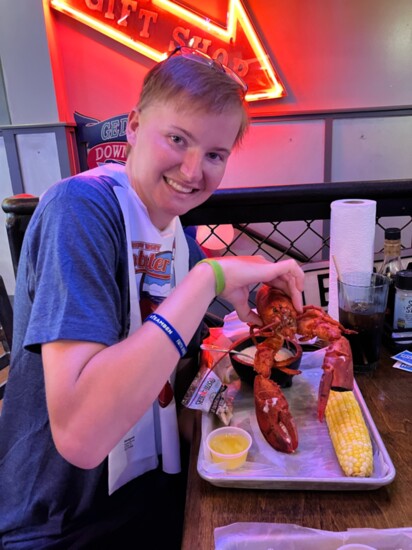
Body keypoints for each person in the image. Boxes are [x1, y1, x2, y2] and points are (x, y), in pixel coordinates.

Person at [0, 47, 304, 549]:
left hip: (155, 502)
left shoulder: (177, 237)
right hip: (59, 524)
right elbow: (82, 437)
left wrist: (244, 364)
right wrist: (208, 278)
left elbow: (175, 387)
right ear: (134, 126)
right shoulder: (79, 209)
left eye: (214, 154)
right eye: (177, 139)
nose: (192, 170)